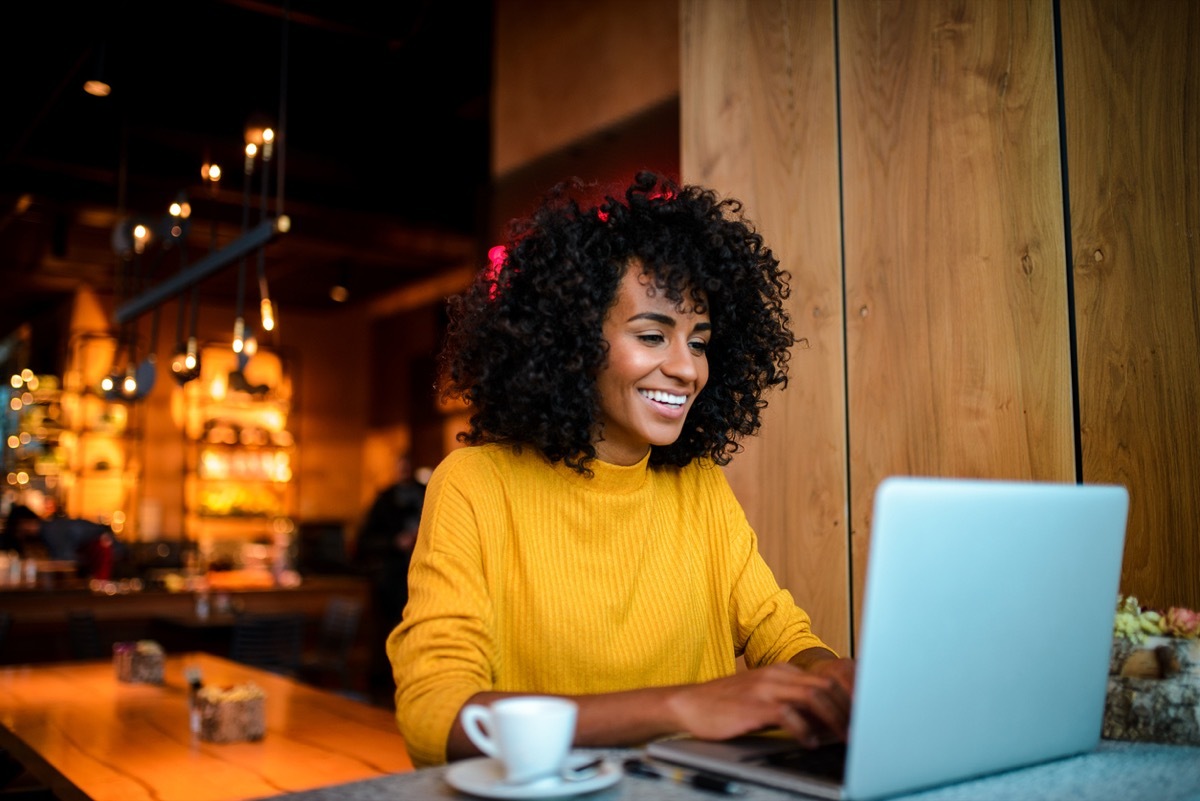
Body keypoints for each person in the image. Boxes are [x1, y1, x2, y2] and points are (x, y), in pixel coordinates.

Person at [387, 171, 855, 768]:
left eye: (700, 342)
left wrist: (833, 681)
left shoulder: (698, 484)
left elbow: (781, 635)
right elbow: (436, 716)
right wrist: (680, 708)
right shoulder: (476, 485)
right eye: (653, 335)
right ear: (575, 342)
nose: (687, 369)